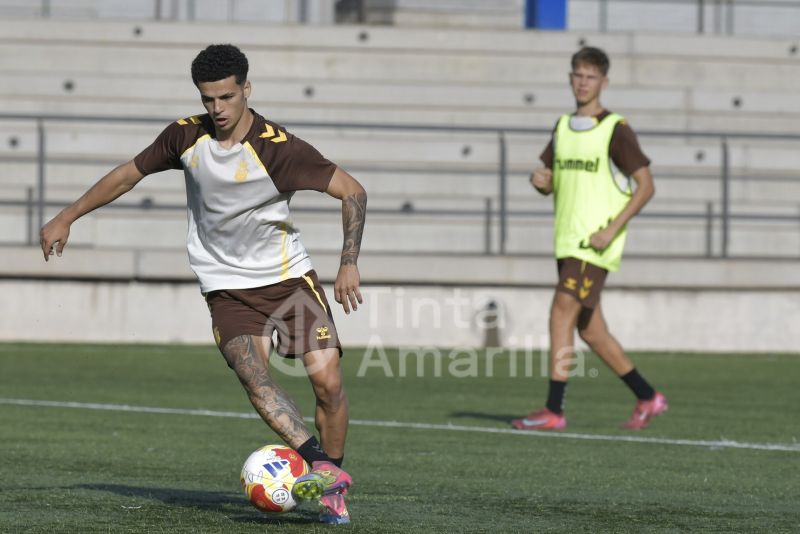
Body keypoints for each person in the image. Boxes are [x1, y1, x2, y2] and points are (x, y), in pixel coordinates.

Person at [39, 44, 366, 524]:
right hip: (225, 288)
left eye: (227, 97)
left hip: (287, 281)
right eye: (208, 98)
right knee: (253, 376)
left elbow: (352, 190)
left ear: (246, 90)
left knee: (329, 385)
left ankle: (332, 478)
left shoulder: (279, 149)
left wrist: (348, 263)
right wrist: (69, 215)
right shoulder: (185, 136)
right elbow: (128, 175)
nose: (217, 109)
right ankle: (321, 466)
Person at [511, 46, 667, 432]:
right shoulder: (563, 127)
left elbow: (645, 187)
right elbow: (549, 180)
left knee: (560, 311)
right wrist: (540, 182)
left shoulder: (615, 128)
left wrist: (612, 230)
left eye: (591, 76)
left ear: (604, 82)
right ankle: (648, 397)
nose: (583, 82)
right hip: (567, 242)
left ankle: (554, 409)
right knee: (590, 329)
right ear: (570, 78)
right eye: (578, 74)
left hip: (593, 244)